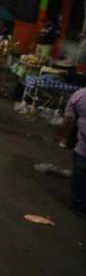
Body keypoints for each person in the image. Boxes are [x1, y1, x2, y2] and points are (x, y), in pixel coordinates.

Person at [62, 86, 86, 218]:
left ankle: (79, 205)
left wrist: (65, 137)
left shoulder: (80, 95)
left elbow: (68, 120)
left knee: (80, 178)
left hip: (83, 148)